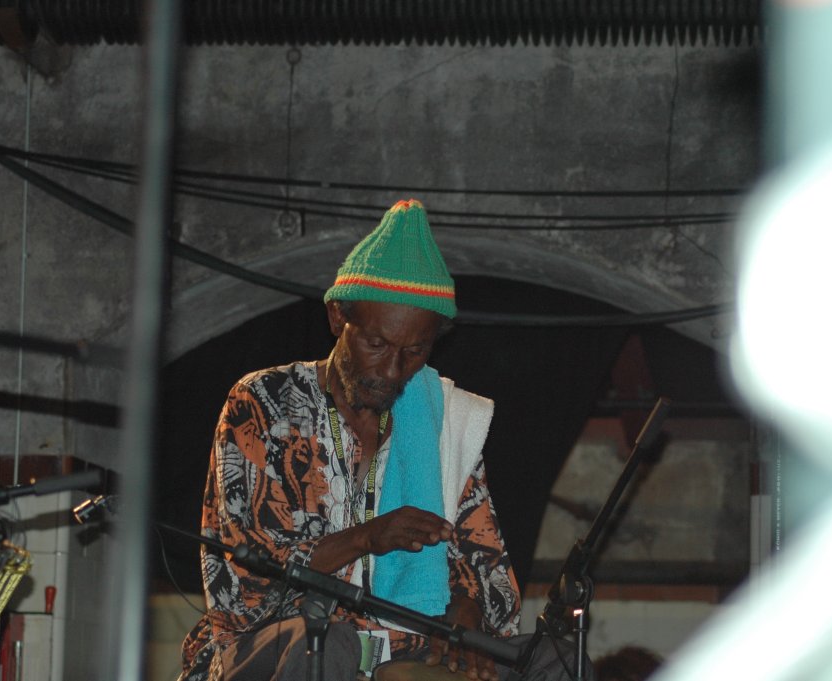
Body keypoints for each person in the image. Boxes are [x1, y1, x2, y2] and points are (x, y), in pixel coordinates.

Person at [180, 199, 580, 681]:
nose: (392, 371)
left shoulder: (442, 420)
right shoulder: (264, 403)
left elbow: (488, 574)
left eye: (414, 352)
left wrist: (465, 611)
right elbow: (245, 585)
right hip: (282, 642)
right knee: (329, 643)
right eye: (376, 344)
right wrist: (366, 538)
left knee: (557, 659)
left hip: (402, 646)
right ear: (337, 319)